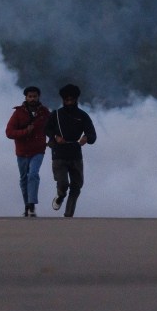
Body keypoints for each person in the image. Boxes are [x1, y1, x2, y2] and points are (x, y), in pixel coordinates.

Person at [45, 84, 96, 218]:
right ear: (63, 100)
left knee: (77, 185)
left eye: (71, 100)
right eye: (66, 100)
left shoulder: (83, 116)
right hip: (59, 154)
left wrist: (86, 137)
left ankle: (69, 214)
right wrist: (55, 137)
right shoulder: (55, 114)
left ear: (76, 100)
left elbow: (92, 135)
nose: (69, 103)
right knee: (63, 183)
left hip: (75, 154)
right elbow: (46, 129)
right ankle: (60, 196)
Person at [5, 86, 51, 217]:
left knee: (33, 174)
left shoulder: (44, 112)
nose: (32, 99)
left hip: (38, 150)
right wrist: (25, 132)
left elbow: (52, 127)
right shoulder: (18, 113)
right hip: (22, 151)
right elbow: (9, 132)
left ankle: (32, 204)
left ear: (38, 97)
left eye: (34, 96)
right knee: (24, 179)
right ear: (25, 97)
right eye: (30, 96)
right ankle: (27, 205)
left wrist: (53, 139)